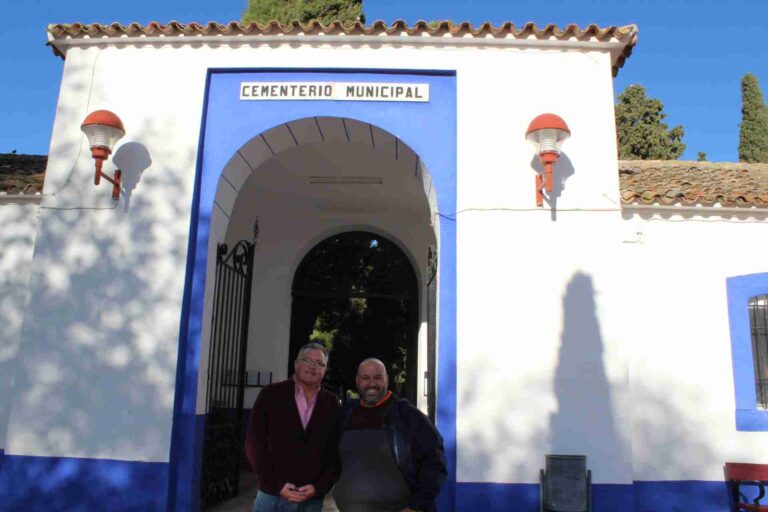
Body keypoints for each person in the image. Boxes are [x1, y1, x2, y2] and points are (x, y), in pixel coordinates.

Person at [334, 358, 447, 512]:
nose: (371, 384)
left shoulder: (408, 416)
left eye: (378, 378)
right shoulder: (347, 414)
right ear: (357, 381)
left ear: (387, 380)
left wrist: (416, 506)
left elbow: (435, 462)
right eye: (365, 378)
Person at [245, 342, 340, 512]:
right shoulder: (270, 395)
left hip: (311, 500)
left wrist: (319, 487)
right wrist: (276, 485)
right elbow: (254, 444)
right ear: (296, 364)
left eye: (320, 364)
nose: (313, 367)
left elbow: (335, 453)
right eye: (307, 360)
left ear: (325, 371)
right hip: (272, 496)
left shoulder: (332, 404)